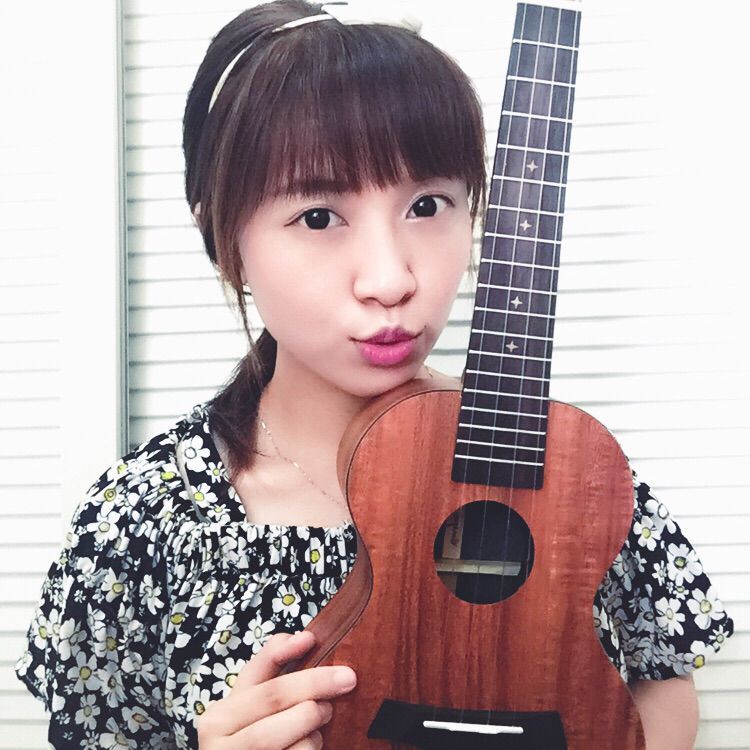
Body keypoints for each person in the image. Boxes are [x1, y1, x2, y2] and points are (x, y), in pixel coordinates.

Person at [15, 1, 734, 748]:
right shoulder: (141, 522)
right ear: (224, 235)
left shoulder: (568, 468)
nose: (391, 280)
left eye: (428, 205)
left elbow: (661, 681)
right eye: (318, 217)